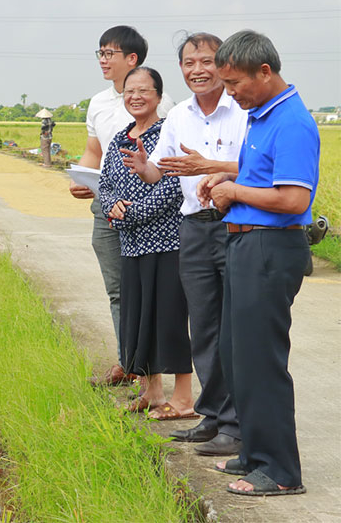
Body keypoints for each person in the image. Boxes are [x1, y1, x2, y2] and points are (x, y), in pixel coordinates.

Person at [197, 30, 318, 497]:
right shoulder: (261, 116)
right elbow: (260, 176)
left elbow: (292, 198)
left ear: (264, 72)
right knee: (236, 354)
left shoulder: (292, 122)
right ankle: (254, 453)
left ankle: (280, 471)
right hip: (246, 245)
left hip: (271, 248)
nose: (230, 94)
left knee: (261, 360)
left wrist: (232, 191)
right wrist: (227, 177)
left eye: (234, 84)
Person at [120, 33, 247, 455]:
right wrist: (144, 168)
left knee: (236, 327)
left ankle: (239, 423)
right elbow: (162, 173)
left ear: (225, 64)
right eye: (189, 62)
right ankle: (213, 418)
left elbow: (261, 166)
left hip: (237, 226)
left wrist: (214, 167)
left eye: (207, 61)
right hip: (193, 228)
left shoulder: (242, 111)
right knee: (205, 328)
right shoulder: (178, 118)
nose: (198, 69)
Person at [71, 26, 175, 386]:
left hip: (153, 214)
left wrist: (139, 207)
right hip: (108, 207)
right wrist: (82, 179)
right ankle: (126, 359)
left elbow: (170, 166)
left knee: (152, 292)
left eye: (109, 53)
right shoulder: (99, 103)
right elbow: (94, 151)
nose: (102, 59)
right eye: (99, 53)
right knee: (118, 289)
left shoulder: (166, 105)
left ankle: (150, 371)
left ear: (132, 59)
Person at [99, 66, 192, 418]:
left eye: (143, 91)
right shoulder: (120, 138)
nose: (135, 97)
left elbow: (171, 186)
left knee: (170, 316)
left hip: (166, 240)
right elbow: (105, 185)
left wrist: (131, 212)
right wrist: (112, 206)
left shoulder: (167, 132)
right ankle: (150, 391)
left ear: (158, 95)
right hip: (131, 243)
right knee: (138, 317)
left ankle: (183, 396)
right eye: (129, 91)